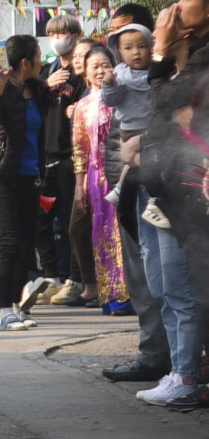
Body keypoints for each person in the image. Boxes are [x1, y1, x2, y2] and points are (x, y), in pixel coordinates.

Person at [138, 0, 209, 409]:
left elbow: (169, 103)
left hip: (192, 188)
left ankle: (186, 374)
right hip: (168, 187)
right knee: (170, 287)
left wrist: (162, 51)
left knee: (187, 288)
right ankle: (183, 371)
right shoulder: (195, 51)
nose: (176, 5)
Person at [101, 21, 171, 382]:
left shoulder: (162, 72)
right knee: (144, 272)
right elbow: (110, 108)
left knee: (157, 273)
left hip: (153, 177)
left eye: (139, 44)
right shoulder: (119, 76)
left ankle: (165, 357)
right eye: (124, 45)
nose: (133, 52)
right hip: (126, 182)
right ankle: (160, 353)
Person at [0, 33, 49, 330]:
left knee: (25, 244)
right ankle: (3, 309)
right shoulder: (0, 86)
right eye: (38, 55)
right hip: (1, 174)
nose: (42, 61)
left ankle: (17, 307)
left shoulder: (36, 89)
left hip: (30, 175)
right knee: (9, 241)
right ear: (26, 61)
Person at [71, 45, 129, 312]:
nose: (100, 71)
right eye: (94, 66)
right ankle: (110, 294)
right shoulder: (82, 106)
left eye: (105, 65)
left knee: (123, 231)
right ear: (86, 72)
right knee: (101, 233)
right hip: (95, 177)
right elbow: (80, 148)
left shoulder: (122, 98)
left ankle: (130, 292)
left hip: (122, 171)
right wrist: (80, 185)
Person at [37, 13, 87, 304]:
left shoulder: (80, 74)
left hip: (70, 157)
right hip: (46, 157)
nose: (57, 40)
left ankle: (75, 279)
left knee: (72, 222)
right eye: (52, 34)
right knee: (44, 222)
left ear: (75, 36)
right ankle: (52, 277)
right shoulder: (47, 70)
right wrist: (44, 85)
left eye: (62, 34)